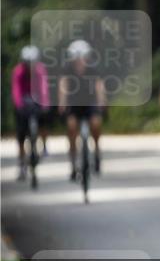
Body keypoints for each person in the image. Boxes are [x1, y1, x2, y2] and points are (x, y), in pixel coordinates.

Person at [59, 39, 106, 180]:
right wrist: (62, 102)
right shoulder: (67, 69)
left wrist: (102, 100)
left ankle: (96, 151)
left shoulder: (93, 68)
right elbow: (63, 85)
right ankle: (73, 164)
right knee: (71, 127)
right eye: (76, 59)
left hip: (90, 102)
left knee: (96, 123)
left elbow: (99, 85)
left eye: (82, 58)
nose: (80, 61)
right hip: (74, 103)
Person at [12, 45, 51, 181]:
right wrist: (18, 105)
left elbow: (44, 88)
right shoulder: (18, 71)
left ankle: (44, 145)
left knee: (44, 119)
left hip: (37, 99)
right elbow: (16, 90)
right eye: (27, 63)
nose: (30, 66)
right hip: (23, 101)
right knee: (21, 134)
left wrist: (45, 103)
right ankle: (22, 163)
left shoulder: (40, 70)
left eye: (32, 63)